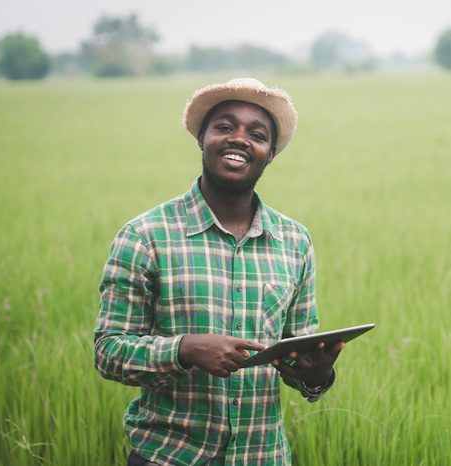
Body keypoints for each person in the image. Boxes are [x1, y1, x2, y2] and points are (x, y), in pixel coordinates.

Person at [94, 77, 344, 466]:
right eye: (224, 127)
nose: (239, 139)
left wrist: (315, 375)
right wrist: (186, 349)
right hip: (168, 456)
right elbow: (109, 351)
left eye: (256, 134)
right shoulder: (146, 236)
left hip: (263, 457)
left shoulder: (294, 240)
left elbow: (297, 350)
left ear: (269, 153)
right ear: (202, 138)